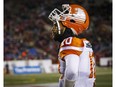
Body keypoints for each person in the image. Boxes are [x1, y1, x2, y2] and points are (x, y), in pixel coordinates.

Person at [48, 4, 96, 87]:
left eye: (58, 24)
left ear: (72, 22)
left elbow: (72, 72)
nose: (53, 29)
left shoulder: (70, 41)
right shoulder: (84, 43)